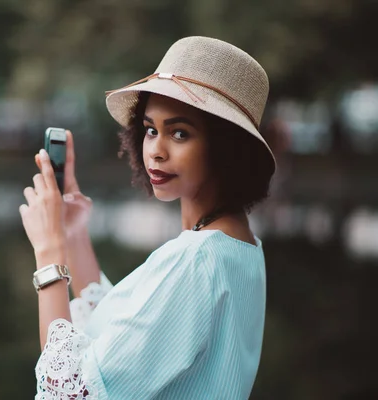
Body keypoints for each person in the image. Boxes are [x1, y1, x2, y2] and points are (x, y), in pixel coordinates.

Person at [19, 36, 276, 400]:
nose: (156, 150)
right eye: (151, 130)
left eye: (180, 133)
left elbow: (67, 394)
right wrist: (74, 235)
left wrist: (49, 255)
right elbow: (127, 338)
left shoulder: (196, 260)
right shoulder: (237, 246)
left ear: (226, 148)